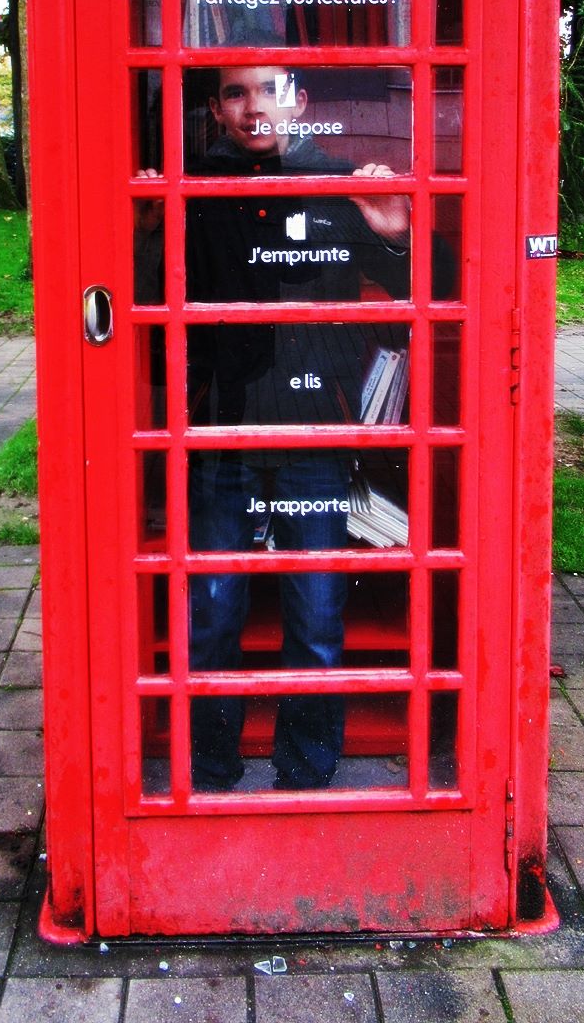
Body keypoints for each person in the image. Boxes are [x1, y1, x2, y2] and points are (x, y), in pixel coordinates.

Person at [145, 64, 419, 791]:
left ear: (300, 101)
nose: (253, 107)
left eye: (269, 89)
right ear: (214, 109)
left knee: (318, 611)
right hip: (218, 426)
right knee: (210, 612)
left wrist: (394, 237)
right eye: (235, 92)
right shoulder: (193, 189)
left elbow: (432, 295)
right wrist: (144, 227)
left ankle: (306, 767)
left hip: (315, 431)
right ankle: (208, 765)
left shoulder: (340, 182)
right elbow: (142, 310)